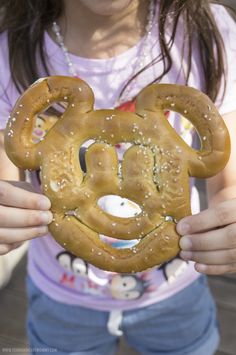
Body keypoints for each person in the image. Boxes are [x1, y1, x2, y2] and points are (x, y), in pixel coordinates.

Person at [0, 0, 236, 354]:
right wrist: (9, 212)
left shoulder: (206, 34)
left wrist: (228, 224)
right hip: (61, 299)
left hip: (176, 293)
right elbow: (8, 180)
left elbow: (227, 183)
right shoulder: (9, 51)